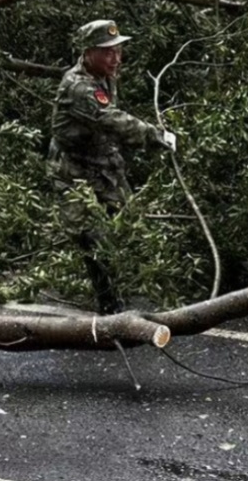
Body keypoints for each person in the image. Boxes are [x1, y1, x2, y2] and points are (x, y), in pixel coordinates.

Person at [48, 19, 174, 314]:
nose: (116, 58)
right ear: (88, 52)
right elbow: (112, 119)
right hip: (73, 172)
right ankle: (108, 306)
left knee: (129, 223)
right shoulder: (77, 86)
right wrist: (155, 136)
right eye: (108, 52)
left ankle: (144, 283)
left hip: (104, 163)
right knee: (91, 236)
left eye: (118, 51)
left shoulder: (105, 75)